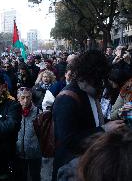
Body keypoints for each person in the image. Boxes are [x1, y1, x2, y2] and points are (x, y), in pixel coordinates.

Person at [52, 50, 126, 181]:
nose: (102, 84)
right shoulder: (67, 98)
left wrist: (115, 123)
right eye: (99, 79)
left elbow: (93, 121)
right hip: (71, 170)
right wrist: (104, 129)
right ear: (89, 75)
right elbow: (68, 140)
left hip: (88, 163)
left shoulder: (88, 91)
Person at [15, 87, 41, 181]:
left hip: (34, 152)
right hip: (18, 151)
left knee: (35, 176)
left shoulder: (38, 112)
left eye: (28, 97)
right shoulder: (14, 111)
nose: (25, 100)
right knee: (20, 176)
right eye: (22, 97)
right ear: (18, 98)